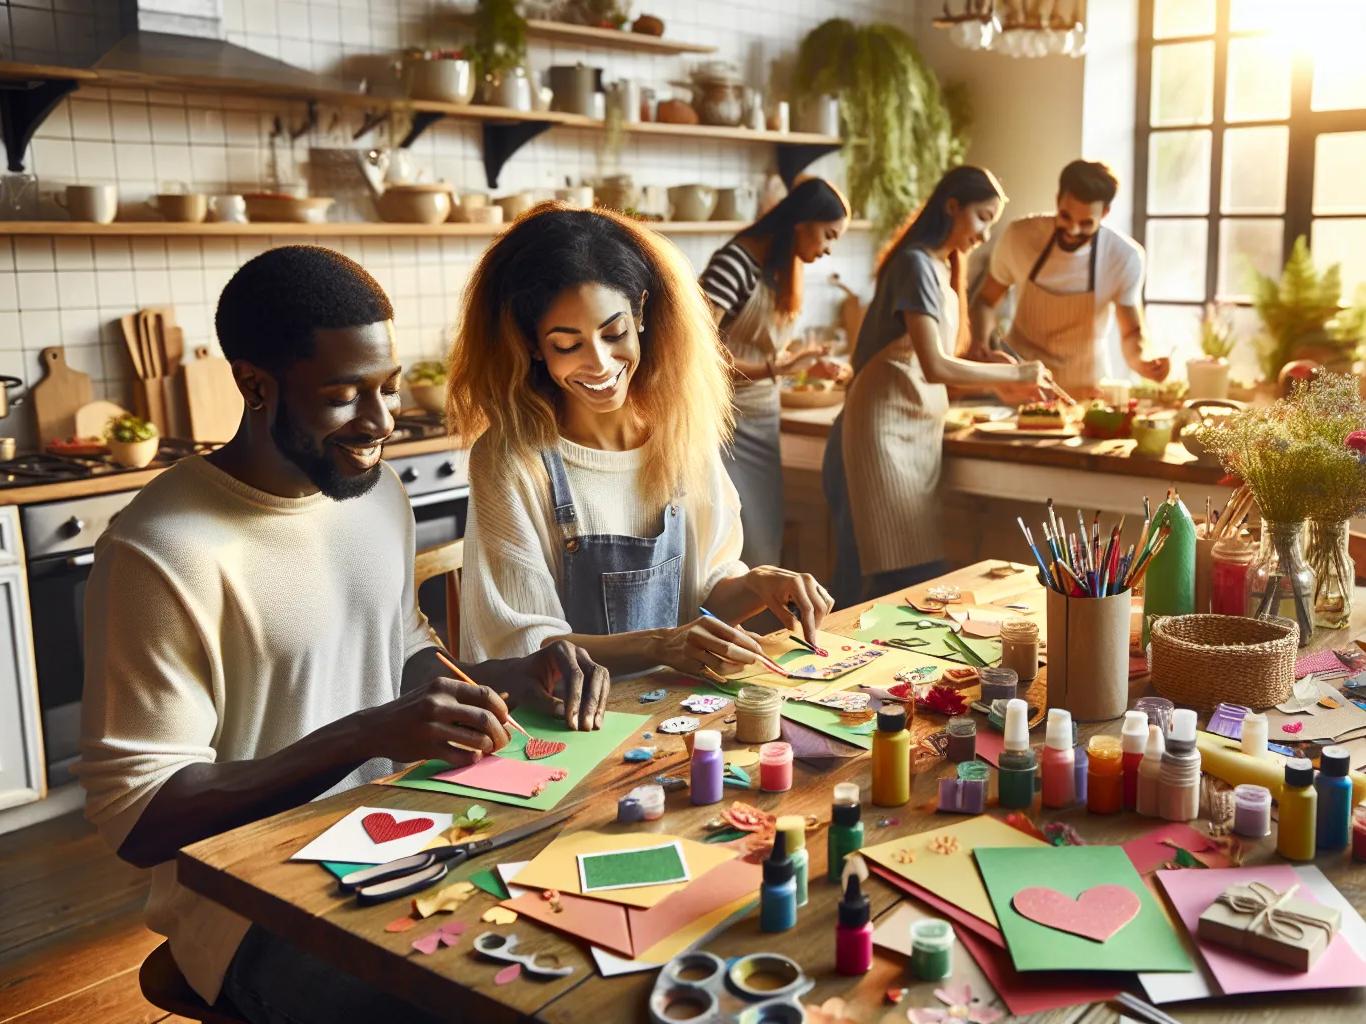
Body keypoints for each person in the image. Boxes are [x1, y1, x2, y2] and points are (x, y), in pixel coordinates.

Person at [73, 246, 610, 1023]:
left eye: (386, 389)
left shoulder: (373, 493)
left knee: (587, 960)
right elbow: (141, 816)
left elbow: (399, 644)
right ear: (255, 384)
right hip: (249, 913)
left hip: (406, 843)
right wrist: (364, 735)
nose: (381, 421)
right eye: (343, 395)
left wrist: (510, 678)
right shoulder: (161, 550)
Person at [448, 203, 834, 678]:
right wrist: (659, 645)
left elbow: (705, 590)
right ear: (531, 346)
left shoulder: (679, 432)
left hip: (675, 714)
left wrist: (758, 584)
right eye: (567, 346)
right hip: (569, 727)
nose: (601, 364)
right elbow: (525, 646)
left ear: (641, 313)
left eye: (614, 333)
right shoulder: (512, 460)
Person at [822, 166, 1059, 605]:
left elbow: (930, 369)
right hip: (880, 438)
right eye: (983, 217)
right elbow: (934, 367)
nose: (986, 234)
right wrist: (1018, 373)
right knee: (890, 579)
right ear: (952, 207)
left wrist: (1005, 388)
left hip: (914, 436)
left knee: (905, 575)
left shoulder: (941, 269)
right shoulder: (914, 264)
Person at [700, 178, 851, 567]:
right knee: (738, 552)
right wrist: (774, 367)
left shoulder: (779, 269)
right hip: (723, 424)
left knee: (766, 546)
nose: (828, 248)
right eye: (828, 235)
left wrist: (801, 365)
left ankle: (763, 631)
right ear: (801, 223)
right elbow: (697, 353)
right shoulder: (733, 263)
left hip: (763, 418)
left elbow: (762, 352)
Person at [971, 159, 1169, 395]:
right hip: (1022, 386)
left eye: (1086, 224)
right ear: (1057, 200)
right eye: (1065, 217)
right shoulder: (1019, 237)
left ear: (1105, 213)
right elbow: (985, 300)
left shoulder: (1124, 257)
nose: (1073, 231)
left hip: (1085, 390)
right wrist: (981, 347)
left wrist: (1144, 362)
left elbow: (1131, 333)